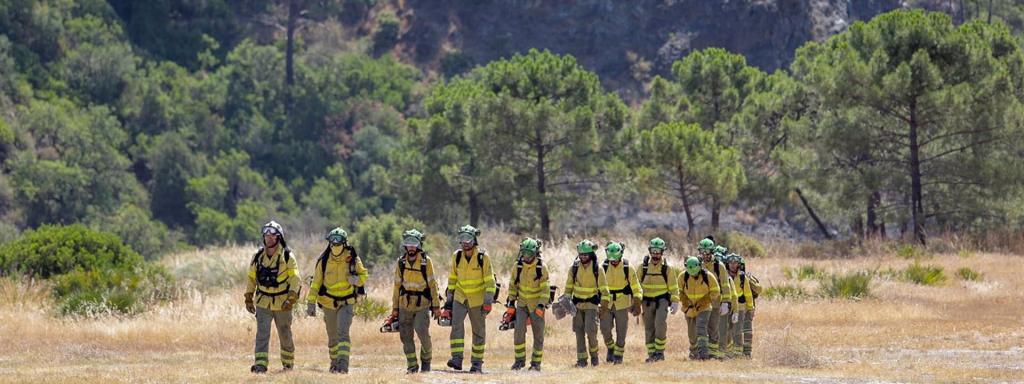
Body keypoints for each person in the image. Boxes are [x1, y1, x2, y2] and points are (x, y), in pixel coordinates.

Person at [306, 227, 367, 374]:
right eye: (332, 240)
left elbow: (364, 275)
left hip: (347, 303)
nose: (335, 243)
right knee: (332, 336)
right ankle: (334, 364)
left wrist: (357, 280)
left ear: (344, 242)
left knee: (343, 333)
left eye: (338, 240)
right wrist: (310, 302)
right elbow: (316, 283)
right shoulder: (324, 260)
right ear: (329, 242)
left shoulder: (352, 258)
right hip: (328, 303)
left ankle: (343, 366)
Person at [245, 221, 301, 373]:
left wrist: (291, 298)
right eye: (266, 236)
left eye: (272, 236)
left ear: (279, 238)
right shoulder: (258, 256)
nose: (269, 238)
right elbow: (251, 278)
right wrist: (248, 297)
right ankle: (260, 365)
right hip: (263, 302)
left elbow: (295, 278)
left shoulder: (288, 256)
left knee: (285, 333)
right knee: (262, 334)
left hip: (283, 303)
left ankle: (288, 364)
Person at [445, 225, 497, 373]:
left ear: (474, 240)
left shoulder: (483, 257)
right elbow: (452, 279)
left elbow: (490, 282)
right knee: (456, 327)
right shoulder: (457, 256)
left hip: (478, 301)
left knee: (478, 332)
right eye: (462, 239)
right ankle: (456, 359)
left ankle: (476, 364)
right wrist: (448, 303)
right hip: (460, 298)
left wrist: (487, 302)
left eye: (468, 239)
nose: (465, 242)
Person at [391, 229, 440, 373]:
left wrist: (436, 306)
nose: (411, 247)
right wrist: (395, 309)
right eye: (408, 243)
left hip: (422, 304)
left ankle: (426, 361)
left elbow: (432, 284)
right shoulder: (401, 262)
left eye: (414, 243)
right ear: (405, 246)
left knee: (422, 332)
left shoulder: (426, 261)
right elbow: (396, 286)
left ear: (419, 245)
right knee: (405, 336)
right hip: (404, 305)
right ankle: (412, 366)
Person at [563, 240, 610, 367]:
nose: (583, 257)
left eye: (585, 254)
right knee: (579, 333)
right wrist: (566, 301)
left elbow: (604, 289)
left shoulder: (597, 269)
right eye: (581, 254)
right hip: (577, 306)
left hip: (592, 305)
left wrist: (604, 306)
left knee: (591, 331)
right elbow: (568, 288)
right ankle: (582, 360)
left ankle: (594, 357)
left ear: (591, 255)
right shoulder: (574, 268)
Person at [506, 238, 550, 371]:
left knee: (538, 334)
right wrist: (511, 302)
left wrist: (541, 305)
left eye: (529, 253)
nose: (526, 256)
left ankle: (536, 364)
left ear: (535, 253)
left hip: (537, 305)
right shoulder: (517, 266)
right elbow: (512, 285)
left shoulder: (541, 267)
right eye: (524, 253)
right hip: (522, 304)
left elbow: (545, 289)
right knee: (519, 331)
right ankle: (519, 361)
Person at [639, 237, 680, 362]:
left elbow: (673, 286)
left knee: (660, 325)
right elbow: (636, 285)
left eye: (658, 252)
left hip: (661, 301)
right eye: (653, 251)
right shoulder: (643, 267)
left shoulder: (667, 268)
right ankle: (652, 354)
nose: (655, 254)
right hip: (646, 302)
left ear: (662, 252)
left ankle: (660, 353)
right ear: (650, 251)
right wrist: (634, 301)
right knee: (649, 328)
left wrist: (675, 301)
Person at [599, 241, 641, 364]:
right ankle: (611, 348)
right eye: (611, 260)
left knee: (621, 330)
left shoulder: (628, 267)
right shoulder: (603, 267)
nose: (614, 262)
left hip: (622, 303)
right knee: (604, 329)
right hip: (606, 302)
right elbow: (597, 285)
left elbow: (636, 287)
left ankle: (618, 356)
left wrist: (637, 303)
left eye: (615, 260)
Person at [679, 256, 720, 360]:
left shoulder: (708, 276)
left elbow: (716, 291)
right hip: (689, 309)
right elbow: (678, 291)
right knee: (692, 334)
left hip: (704, 308)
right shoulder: (682, 276)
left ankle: (703, 354)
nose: (693, 274)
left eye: (695, 272)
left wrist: (705, 300)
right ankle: (694, 353)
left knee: (701, 328)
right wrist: (684, 300)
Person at [698, 238, 734, 359]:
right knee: (701, 328)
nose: (704, 255)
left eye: (707, 252)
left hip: (716, 303)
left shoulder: (720, 266)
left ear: (712, 252)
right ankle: (701, 352)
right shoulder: (697, 264)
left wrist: (726, 302)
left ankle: (713, 354)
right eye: (702, 252)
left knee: (713, 329)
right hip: (701, 303)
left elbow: (725, 285)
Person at [732, 255, 761, 357]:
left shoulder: (744, 277)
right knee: (743, 331)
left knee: (743, 331)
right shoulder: (743, 276)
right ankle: (745, 353)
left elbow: (754, 292)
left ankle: (746, 353)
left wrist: (750, 308)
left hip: (746, 308)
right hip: (746, 307)